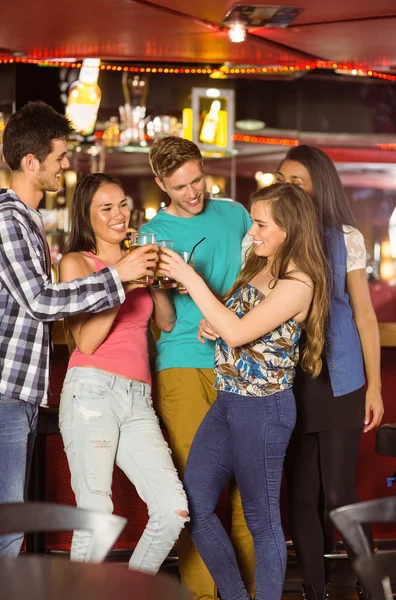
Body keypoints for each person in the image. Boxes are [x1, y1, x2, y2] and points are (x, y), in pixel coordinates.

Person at [0, 101, 158, 557]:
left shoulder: (25, 221)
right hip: (3, 392)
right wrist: (118, 275)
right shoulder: (8, 219)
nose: (66, 164)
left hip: (18, 392)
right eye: (59, 157)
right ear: (31, 163)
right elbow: (40, 301)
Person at [157, 182, 329, 600]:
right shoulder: (260, 265)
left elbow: (237, 334)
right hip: (228, 403)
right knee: (193, 505)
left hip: (265, 410)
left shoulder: (300, 282)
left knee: (261, 518)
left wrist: (189, 276)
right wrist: (209, 326)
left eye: (260, 223)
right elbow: (233, 327)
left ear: (288, 228)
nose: (251, 231)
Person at [141, 135, 255, 600]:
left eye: (198, 179)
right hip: (184, 364)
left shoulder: (236, 214)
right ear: (160, 183)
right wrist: (154, 284)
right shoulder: (151, 234)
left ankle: (250, 593)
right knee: (199, 496)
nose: (194, 192)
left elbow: (262, 279)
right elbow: (165, 322)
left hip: (243, 361)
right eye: (181, 186)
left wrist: (232, 317)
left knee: (250, 496)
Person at [58, 172, 188, 569]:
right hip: (91, 392)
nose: (119, 214)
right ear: (87, 215)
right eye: (106, 207)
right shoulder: (76, 262)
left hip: (137, 398)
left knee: (172, 509)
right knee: (95, 516)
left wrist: (158, 280)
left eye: (122, 205)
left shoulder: (136, 256)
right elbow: (87, 341)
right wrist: (125, 282)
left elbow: (164, 323)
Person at [276, 145, 384, 600]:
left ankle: (374, 583)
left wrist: (375, 386)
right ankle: (314, 591)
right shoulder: (273, 235)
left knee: (339, 493)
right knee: (300, 498)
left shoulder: (345, 237)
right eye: (282, 180)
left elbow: (364, 316)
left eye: (297, 181)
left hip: (340, 378)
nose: (288, 188)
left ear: (319, 184)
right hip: (289, 380)